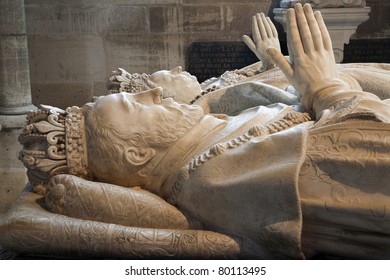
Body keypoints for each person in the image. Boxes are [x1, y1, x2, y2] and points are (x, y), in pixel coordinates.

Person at [5, 4, 390, 259]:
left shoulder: (210, 145)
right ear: (137, 155)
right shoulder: (221, 178)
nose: (153, 92)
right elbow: (369, 161)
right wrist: (327, 88)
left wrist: (297, 77)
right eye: (135, 105)